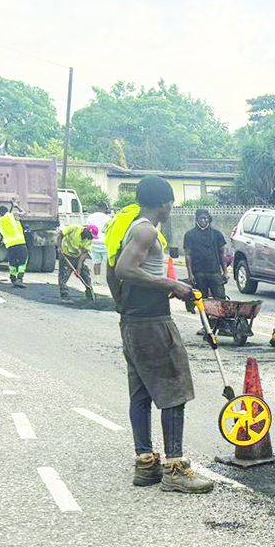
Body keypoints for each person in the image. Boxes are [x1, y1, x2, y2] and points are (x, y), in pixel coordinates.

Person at [105, 175, 214, 495]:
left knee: (140, 393)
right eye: (171, 202)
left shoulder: (127, 227)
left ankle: (145, 463)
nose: (171, 207)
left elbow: (112, 271)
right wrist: (172, 285)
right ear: (164, 202)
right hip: (151, 322)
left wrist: (122, 305)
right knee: (174, 388)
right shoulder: (145, 229)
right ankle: (175, 468)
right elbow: (125, 269)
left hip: (135, 319)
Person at [183, 208, 229, 302]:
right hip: (199, 273)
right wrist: (190, 274)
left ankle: (218, 317)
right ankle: (204, 317)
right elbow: (188, 255)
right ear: (196, 219)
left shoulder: (217, 234)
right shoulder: (189, 235)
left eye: (205, 218)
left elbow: (222, 254)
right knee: (201, 301)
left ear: (209, 219)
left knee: (220, 300)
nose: (203, 221)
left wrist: (225, 272)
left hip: (215, 272)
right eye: (201, 218)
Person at [58, 222, 98, 301]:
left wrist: (78, 269)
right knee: (64, 274)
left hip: (77, 256)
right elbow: (60, 234)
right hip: (66, 254)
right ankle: (64, 294)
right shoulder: (74, 228)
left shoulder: (89, 240)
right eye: (91, 235)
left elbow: (83, 255)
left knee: (85, 273)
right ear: (87, 231)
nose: (91, 238)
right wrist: (59, 247)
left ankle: (90, 292)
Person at [0, 202, 29, 287]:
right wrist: (17, 206)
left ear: (0, 213)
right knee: (23, 261)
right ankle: (19, 278)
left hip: (9, 245)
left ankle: (13, 278)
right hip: (20, 242)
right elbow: (24, 213)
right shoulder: (13, 215)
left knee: (12, 263)